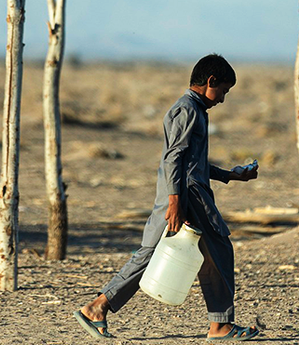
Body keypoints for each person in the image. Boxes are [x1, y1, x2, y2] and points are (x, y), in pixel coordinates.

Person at [75, 54, 261, 341]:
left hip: (185, 193)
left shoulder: (196, 110)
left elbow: (192, 162)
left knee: (161, 254)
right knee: (217, 250)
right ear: (210, 81)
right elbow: (172, 159)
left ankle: (97, 307)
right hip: (186, 197)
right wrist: (175, 202)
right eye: (223, 90)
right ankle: (220, 325)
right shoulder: (187, 110)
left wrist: (231, 175)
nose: (223, 98)